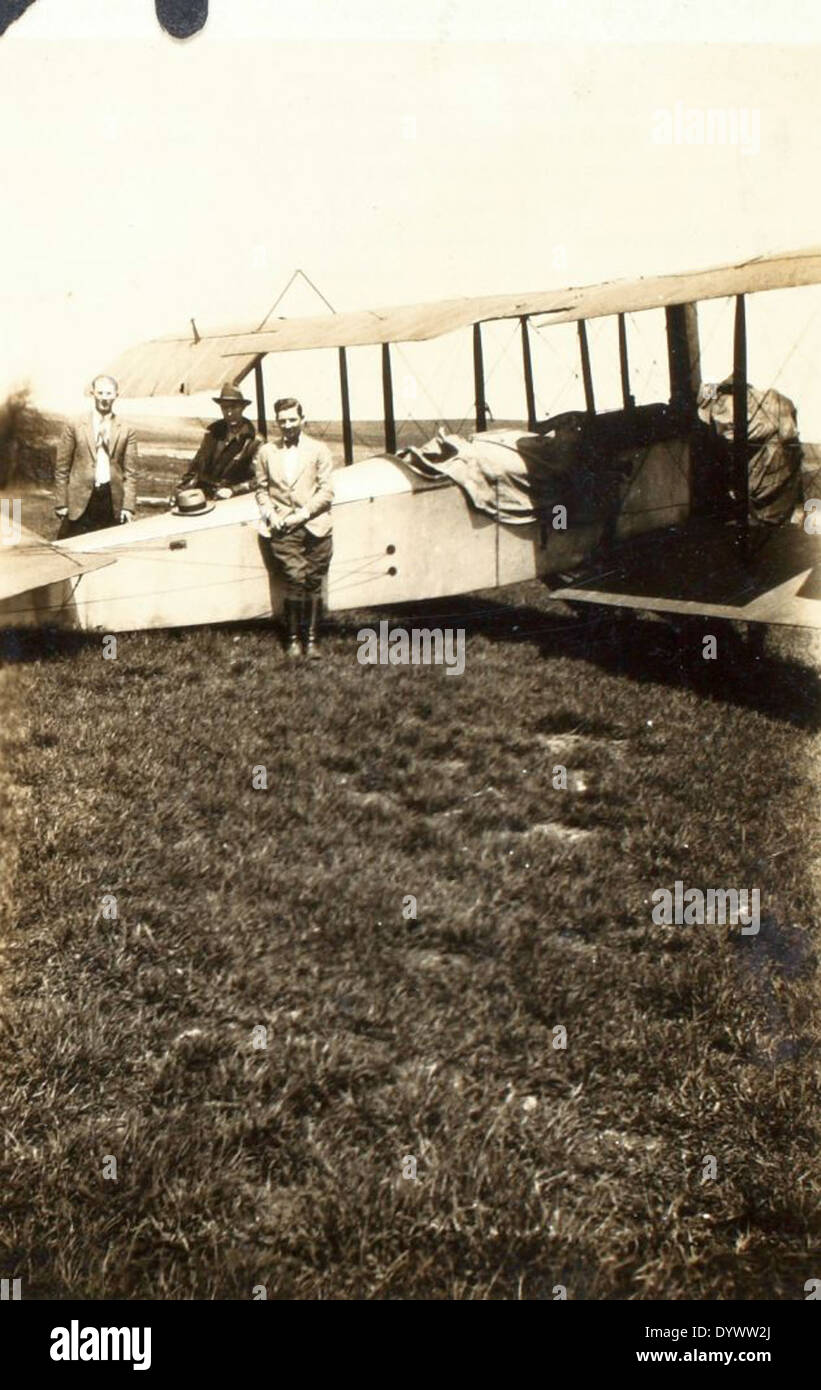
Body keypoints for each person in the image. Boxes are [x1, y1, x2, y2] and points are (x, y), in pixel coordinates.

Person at [254, 397, 334, 660]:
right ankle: (291, 641)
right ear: (277, 422)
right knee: (294, 578)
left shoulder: (319, 450)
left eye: (292, 419)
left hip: (316, 526)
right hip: (283, 528)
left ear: (302, 419)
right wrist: (270, 514)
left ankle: (311, 642)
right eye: (282, 421)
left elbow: (327, 491)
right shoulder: (267, 452)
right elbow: (262, 491)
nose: (287, 425)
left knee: (313, 581)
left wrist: (304, 513)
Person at [54, 375, 138, 537]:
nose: (104, 398)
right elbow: (62, 468)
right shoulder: (75, 424)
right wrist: (61, 502)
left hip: (111, 501)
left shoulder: (127, 430)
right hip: (79, 501)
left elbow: (131, 473)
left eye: (108, 393)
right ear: (93, 394)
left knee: (108, 551)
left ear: (116, 395)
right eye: (100, 393)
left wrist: (128, 507)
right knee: (70, 549)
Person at [176, 384, 262, 501]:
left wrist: (233, 490)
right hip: (203, 495)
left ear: (242, 407)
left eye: (233, 407)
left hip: (232, 499)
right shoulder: (213, 433)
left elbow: (259, 479)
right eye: (225, 408)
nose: (229, 413)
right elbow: (196, 466)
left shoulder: (254, 441)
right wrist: (180, 490)